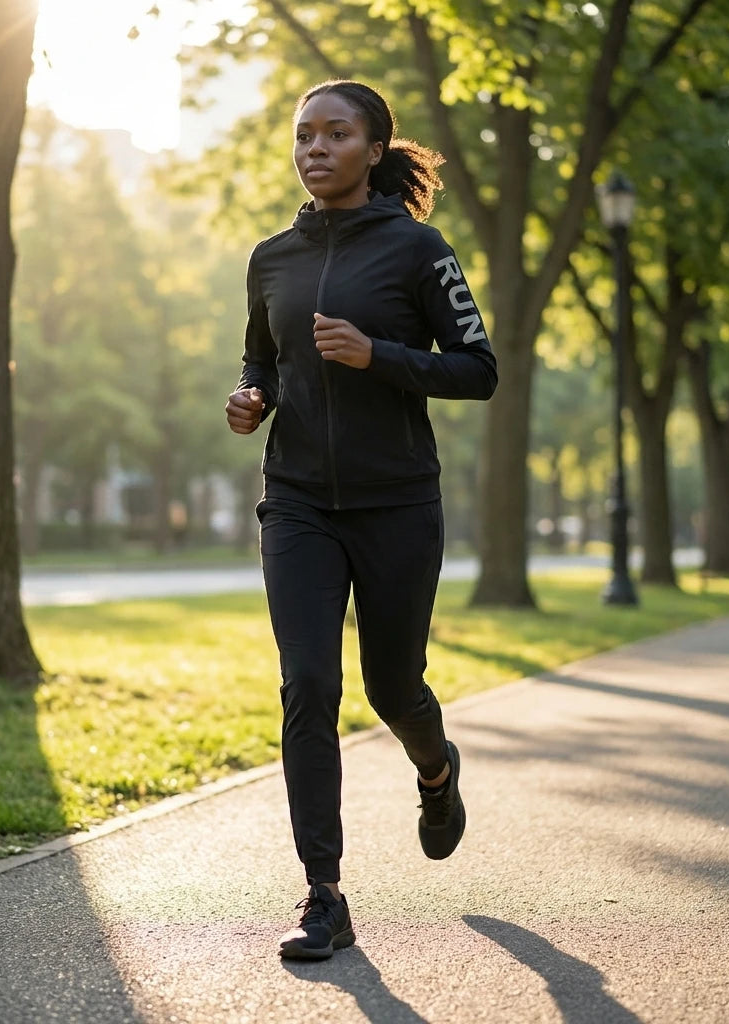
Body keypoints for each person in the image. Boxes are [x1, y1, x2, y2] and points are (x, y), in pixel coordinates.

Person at [225, 79, 497, 961]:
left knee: (392, 686)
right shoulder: (272, 256)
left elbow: (478, 368)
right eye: (304, 134)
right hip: (298, 500)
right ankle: (323, 894)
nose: (314, 147)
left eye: (335, 133)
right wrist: (252, 397)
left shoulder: (420, 251)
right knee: (308, 682)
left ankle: (436, 769)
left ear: (374, 149)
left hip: (397, 503)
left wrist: (379, 354)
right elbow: (261, 358)